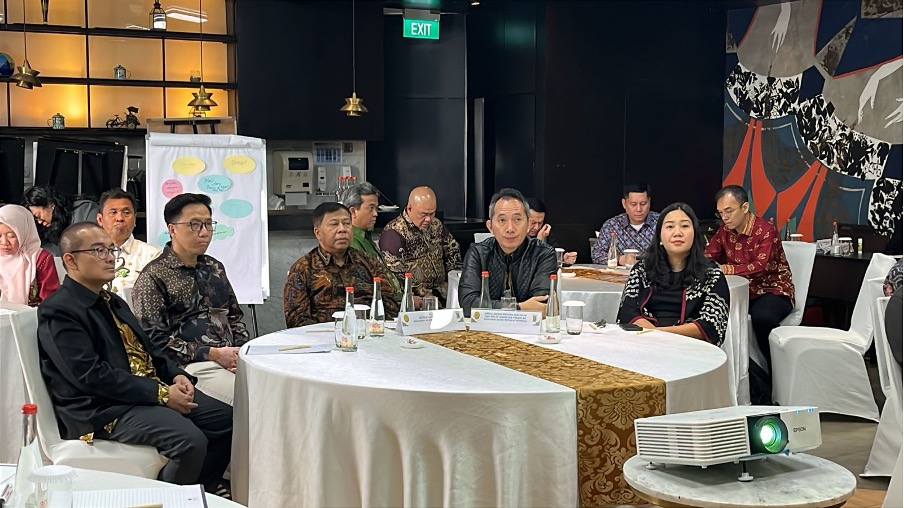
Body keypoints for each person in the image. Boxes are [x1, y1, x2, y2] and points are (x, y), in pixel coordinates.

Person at [37, 222, 232, 493]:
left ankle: (200, 490)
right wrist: (161, 394)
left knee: (226, 420)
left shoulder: (112, 300)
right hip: (102, 407)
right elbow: (90, 376)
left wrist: (177, 376)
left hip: (140, 391)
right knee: (189, 440)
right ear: (70, 260)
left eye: (111, 250)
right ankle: (167, 499)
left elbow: (150, 348)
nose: (109, 257)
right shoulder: (59, 310)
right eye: (98, 250)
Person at [132, 193, 249, 406]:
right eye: (194, 225)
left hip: (232, 360)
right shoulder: (153, 276)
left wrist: (239, 353)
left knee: (277, 389)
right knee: (251, 399)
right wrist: (214, 354)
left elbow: (234, 317)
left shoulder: (214, 267)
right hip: (190, 367)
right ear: (172, 229)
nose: (204, 232)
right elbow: (154, 340)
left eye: (208, 224)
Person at [705, 185, 794, 404]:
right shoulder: (725, 231)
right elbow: (709, 255)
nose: (725, 217)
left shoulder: (766, 231)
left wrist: (726, 268)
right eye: (720, 213)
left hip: (772, 289)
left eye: (729, 211)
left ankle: (775, 376)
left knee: (762, 318)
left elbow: (759, 267)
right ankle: (741, 383)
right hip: (743, 293)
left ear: (745, 207)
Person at [617, 203, 729, 346]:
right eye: (670, 226)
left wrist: (660, 334)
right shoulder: (642, 269)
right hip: (645, 344)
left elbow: (711, 325)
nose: (677, 233)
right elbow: (627, 312)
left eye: (685, 226)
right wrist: (654, 336)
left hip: (690, 347)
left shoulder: (711, 274)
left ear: (695, 234)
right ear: (659, 236)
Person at [284, 202, 399, 327]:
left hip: (367, 332)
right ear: (318, 233)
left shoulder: (369, 263)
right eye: (334, 224)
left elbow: (391, 307)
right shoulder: (303, 268)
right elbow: (296, 320)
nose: (342, 229)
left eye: (347, 223)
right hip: (321, 335)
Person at [458, 188, 557, 317]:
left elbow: (541, 306)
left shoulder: (543, 254)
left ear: (528, 224)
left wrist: (495, 308)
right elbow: (467, 303)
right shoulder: (478, 253)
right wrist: (518, 308)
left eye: (517, 219)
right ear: (490, 227)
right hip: (486, 328)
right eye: (502, 220)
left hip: (527, 328)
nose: (510, 229)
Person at [379, 186, 461, 308]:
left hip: (444, 293)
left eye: (432, 213)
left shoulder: (436, 224)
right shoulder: (394, 233)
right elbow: (397, 276)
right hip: (418, 300)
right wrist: (425, 296)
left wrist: (453, 282)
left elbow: (452, 250)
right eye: (423, 214)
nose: (428, 219)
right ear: (410, 208)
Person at [340, 182, 402, 302]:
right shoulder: (351, 243)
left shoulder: (366, 238)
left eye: (376, 208)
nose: (375, 214)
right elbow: (366, 288)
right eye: (370, 208)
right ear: (353, 211)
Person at [95, 189, 162, 295]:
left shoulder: (153, 256)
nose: (120, 218)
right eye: (113, 212)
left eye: (126, 213)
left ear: (135, 219)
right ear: (100, 219)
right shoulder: (88, 253)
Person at [0, 204, 60, 306]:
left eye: (11, 236)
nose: (4, 242)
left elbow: (50, 300)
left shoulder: (40, 258)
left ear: (24, 232)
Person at [591, 182, 660, 265]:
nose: (638, 209)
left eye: (643, 204)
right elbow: (596, 254)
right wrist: (619, 260)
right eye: (633, 204)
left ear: (649, 202)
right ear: (624, 204)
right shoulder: (612, 225)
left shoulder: (661, 222)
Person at [23, 185, 99, 256]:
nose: (39, 222)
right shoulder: (44, 231)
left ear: (51, 204)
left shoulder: (86, 211)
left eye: (38, 216)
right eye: (36, 219)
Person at [525, 197, 577, 265]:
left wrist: (563, 258)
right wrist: (539, 242)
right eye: (533, 223)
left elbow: (553, 251)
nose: (536, 227)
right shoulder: (515, 236)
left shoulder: (545, 231)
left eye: (540, 223)